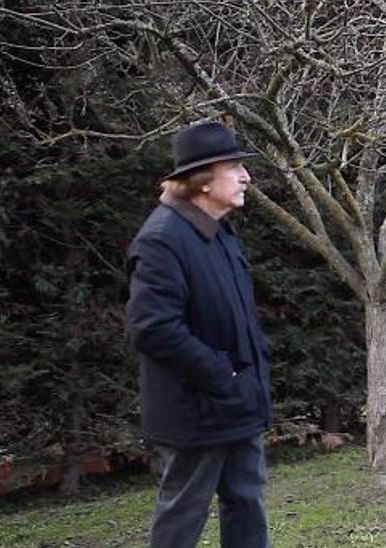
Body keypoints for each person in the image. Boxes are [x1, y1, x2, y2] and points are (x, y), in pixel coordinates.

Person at [126, 121, 272, 547]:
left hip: (239, 405)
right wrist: (222, 375)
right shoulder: (162, 239)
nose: (246, 176)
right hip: (195, 413)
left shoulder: (220, 231)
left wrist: (248, 377)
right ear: (203, 179)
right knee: (182, 520)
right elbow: (153, 329)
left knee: (247, 506)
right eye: (235, 167)